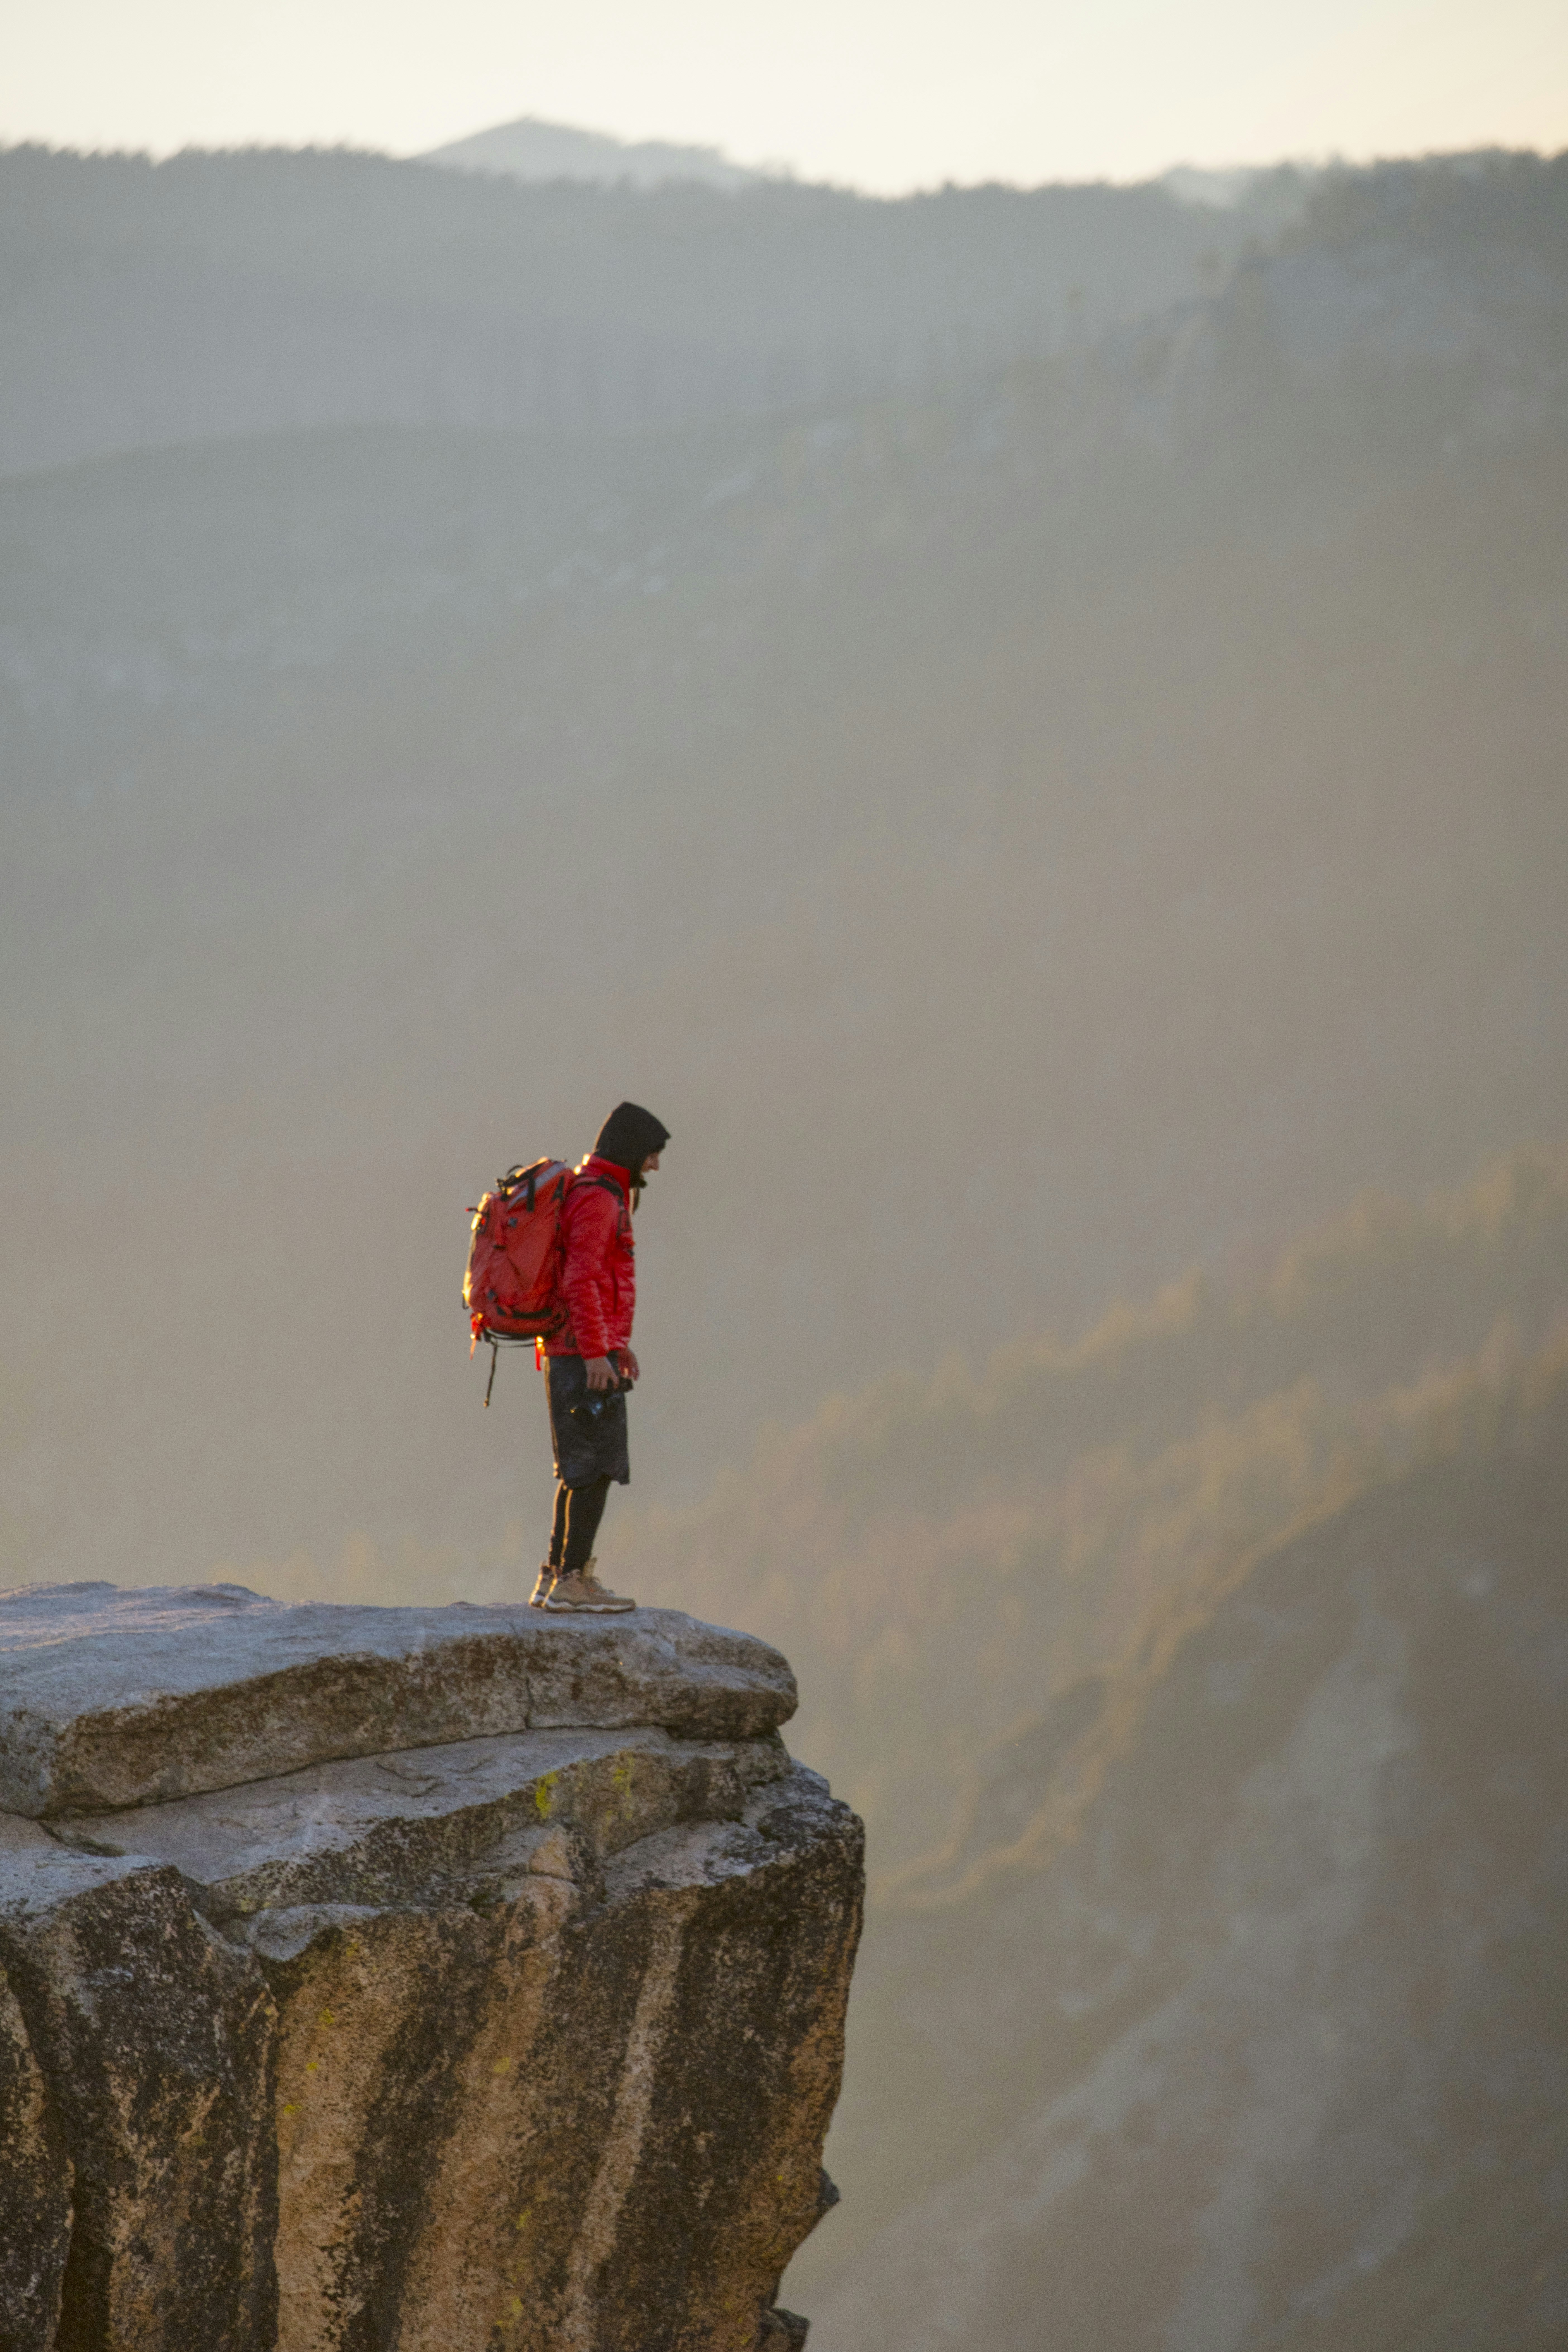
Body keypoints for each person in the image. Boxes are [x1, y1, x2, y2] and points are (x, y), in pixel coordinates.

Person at [530, 1101, 671, 1614]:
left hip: (580, 1348)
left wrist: (614, 1344)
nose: (654, 1165)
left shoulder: (599, 1192)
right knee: (596, 1468)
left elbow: (594, 1279)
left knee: (579, 1468)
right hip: (578, 1353)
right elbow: (580, 1280)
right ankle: (572, 1580)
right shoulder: (599, 1200)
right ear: (632, 1150)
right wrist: (596, 1352)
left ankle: (557, 1575)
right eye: (652, 1154)